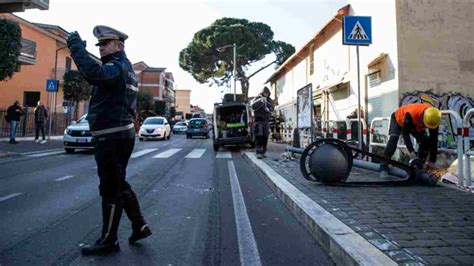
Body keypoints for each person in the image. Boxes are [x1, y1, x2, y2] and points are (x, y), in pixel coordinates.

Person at [67, 25, 151, 256]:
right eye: (100, 45)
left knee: (110, 188)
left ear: (119, 46)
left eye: (105, 44)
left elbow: (94, 73)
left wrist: (76, 49)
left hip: (112, 135)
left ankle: (109, 240)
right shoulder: (124, 68)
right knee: (119, 183)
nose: (102, 48)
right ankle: (139, 226)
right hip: (118, 134)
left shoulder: (116, 67)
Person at [381, 103, 441, 177]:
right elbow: (405, 134)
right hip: (398, 119)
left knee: (425, 141)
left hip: (415, 124)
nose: (427, 127)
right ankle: (384, 166)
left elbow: (433, 140)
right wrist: (411, 152)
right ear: (423, 117)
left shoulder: (434, 118)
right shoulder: (411, 114)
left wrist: (432, 161)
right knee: (393, 139)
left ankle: (419, 166)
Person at [251, 87, 274, 159]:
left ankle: (263, 151)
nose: (266, 94)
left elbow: (272, 108)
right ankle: (258, 152)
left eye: (267, 93)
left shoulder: (269, 100)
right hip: (258, 120)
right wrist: (261, 102)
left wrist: (269, 109)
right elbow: (253, 106)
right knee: (259, 135)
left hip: (266, 120)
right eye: (265, 93)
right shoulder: (257, 98)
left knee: (265, 136)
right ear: (262, 93)